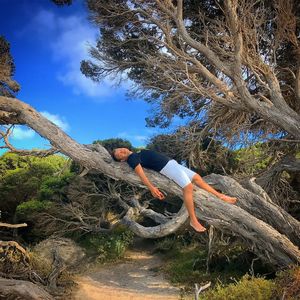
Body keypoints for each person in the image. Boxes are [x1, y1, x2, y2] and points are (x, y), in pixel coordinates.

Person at [112, 148, 237, 233]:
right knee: (188, 188)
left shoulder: (136, 153)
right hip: (167, 168)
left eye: (120, 149)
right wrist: (151, 188)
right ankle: (193, 220)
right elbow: (140, 173)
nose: (122, 151)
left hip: (173, 164)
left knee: (197, 178)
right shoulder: (131, 158)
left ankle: (220, 196)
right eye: (119, 155)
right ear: (122, 160)